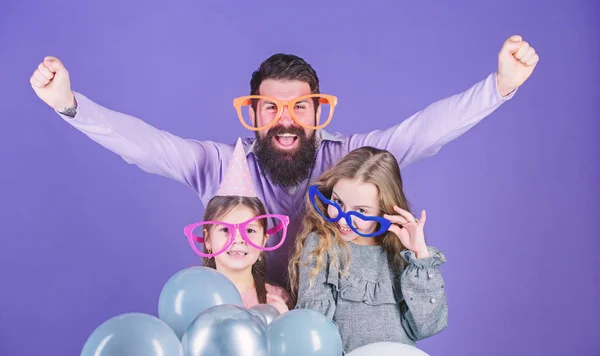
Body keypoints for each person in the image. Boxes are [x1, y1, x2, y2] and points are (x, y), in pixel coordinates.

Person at [29, 35, 539, 285]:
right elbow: (145, 145)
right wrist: (71, 106)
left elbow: (425, 132)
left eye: (299, 106)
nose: (285, 119)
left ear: (318, 111)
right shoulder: (218, 165)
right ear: (255, 112)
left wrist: (499, 88)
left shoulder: (353, 157)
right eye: (271, 106)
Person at [288, 146, 447, 353]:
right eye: (338, 202)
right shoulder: (322, 245)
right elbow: (315, 328)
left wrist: (420, 255)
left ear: (384, 211)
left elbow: (426, 327)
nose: (343, 218)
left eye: (361, 210)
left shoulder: (401, 256)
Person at [184, 138, 293, 313]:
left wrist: (284, 321)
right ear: (207, 240)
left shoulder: (277, 299)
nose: (238, 239)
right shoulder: (192, 298)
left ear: (264, 240)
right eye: (225, 229)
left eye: (250, 230)